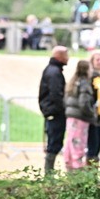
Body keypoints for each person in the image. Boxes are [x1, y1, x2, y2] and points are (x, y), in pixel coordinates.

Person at [38, 46, 70, 176]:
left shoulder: (53, 70)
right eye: (66, 55)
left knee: (54, 142)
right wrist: (61, 109)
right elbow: (56, 94)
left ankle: (49, 173)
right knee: (54, 143)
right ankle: (48, 174)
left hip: (52, 111)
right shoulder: (54, 72)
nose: (68, 58)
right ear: (59, 56)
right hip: (55, 113)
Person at [63, 60, 95, 171]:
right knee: (78, 143)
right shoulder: (84, 83)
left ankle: (69, 165)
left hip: (71, 117)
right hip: (80, 118)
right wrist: (92, 113)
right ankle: (77, 168)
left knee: (70, 142)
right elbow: (84, 103)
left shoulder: (73, 82)